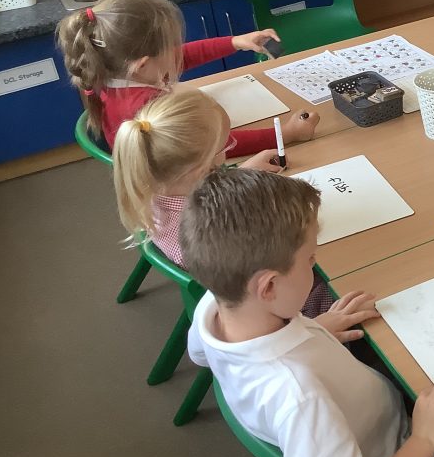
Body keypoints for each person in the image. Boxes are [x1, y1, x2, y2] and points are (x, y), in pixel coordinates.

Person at [183, 168, 434, 457]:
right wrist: (424, 438)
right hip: (403, 455)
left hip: (374, 414)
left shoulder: (217, 304)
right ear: (269, 287)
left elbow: (200, 354)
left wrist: (315, 329)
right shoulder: (301, 400)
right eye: (310, 260)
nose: (315, 265)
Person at [113, 90, 348, 321]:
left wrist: (241, 171)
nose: (229, 149)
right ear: (202, 169)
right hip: (274, 309)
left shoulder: (153, 185)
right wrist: (320, 328)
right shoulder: (208, 230)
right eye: (225, 147)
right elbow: (262, 293)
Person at [56, 0, 318, 150]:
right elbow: (212, 145)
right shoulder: (149, 109)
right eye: (169, 48)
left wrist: (236, 42)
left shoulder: (112, 72)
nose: (175, 54)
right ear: (142, 64)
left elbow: (181, 57)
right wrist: (286, 134)